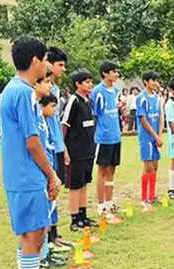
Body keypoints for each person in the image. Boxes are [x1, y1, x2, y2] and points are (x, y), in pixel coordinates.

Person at [0, 37, 62, 269]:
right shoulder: (23, 92)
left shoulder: (14, 89)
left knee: (32, 235)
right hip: (27, 175)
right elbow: (32, 141)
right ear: (35, 60)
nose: (46, 66)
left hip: (23, 175)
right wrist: (51, 174)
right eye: (46, 60)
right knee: (32, 237)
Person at [62, 69, 97, 231]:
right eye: (87, 82)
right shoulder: (73, 101)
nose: (90, 85)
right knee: (75, 185)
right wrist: (64, 149)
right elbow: (64, 125)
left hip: (88, 151)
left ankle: (83, 216)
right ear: (78, 84)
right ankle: (74, 219)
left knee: (84, 183)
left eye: (91, 82)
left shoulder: (88, 101)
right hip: (75, 152)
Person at [46, 46, 73, 251]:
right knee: (49, 191)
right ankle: (47, 238)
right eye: (60, 65)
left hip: (57, 146)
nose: (63, 69)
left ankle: (54, 233)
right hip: (47, 146)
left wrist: (63, 147)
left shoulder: (55, 89)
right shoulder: (41, 89)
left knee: (57, 189)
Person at [91, 60, 123, 224]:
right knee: (102, 170)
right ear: (105, 73)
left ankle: (110, 203)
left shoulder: (116, 90)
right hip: (103, 137)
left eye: (117, 72)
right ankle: (101, 205)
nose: (116, 75)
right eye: (114, 72)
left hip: (116, 136)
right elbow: (94, 114)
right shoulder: (97, 91)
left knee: (112, 170)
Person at [136, 71, 164, 212]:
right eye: (152, 80)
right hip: (146, 137)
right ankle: (144, 198)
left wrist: (159, 134)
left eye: (156, 80)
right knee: (148, 167)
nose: (155, 83)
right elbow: (143, 119)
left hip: (156, 137)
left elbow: (160, 117)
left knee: (155, 166)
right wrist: (154, 135)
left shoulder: (157, 98)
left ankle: (152, 195)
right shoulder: (141, 98)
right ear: (146, 82)